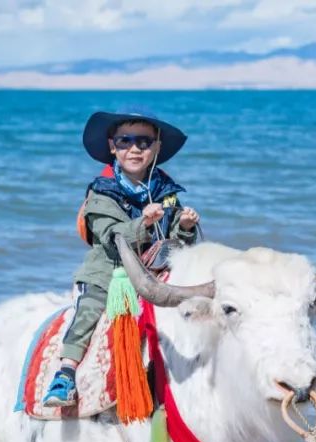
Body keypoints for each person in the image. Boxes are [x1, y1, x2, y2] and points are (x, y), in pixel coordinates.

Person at [43, 110, 201, 407]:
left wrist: (185, 227)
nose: (134, 148)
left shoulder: (166, 193)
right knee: (89, 310)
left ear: (157, 148)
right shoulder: (102, 194)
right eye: (125, 141)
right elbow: (113, 235)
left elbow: (178, 244)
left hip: (155, 275)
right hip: (109, 274)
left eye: (143, 141)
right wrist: (142, 223)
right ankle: (65, 373)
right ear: (112, 147)